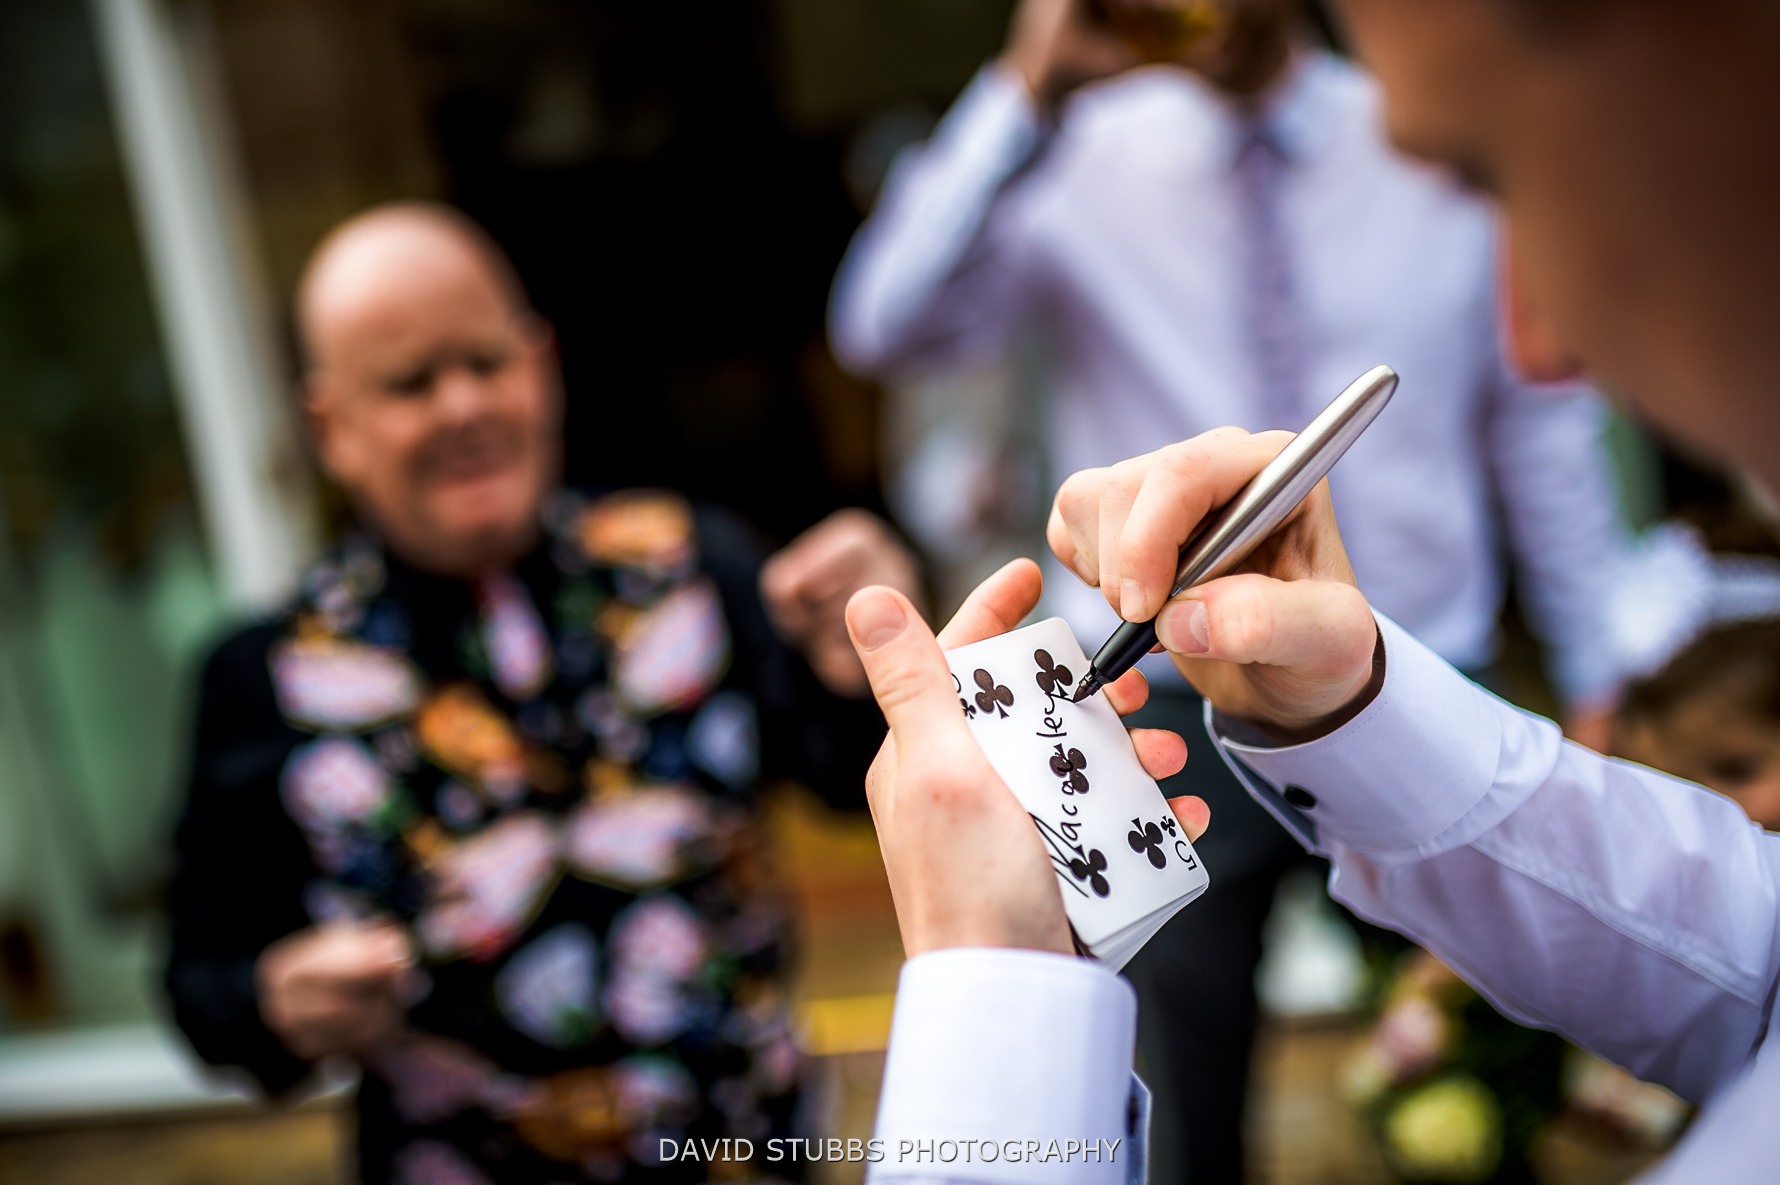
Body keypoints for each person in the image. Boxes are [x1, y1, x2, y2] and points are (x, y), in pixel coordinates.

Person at [840, 0, 1780, 1180]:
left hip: (1434, 661)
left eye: (1477, 172)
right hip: (1156, 697)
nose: (1539, 337)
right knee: (1176, 1100)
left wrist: (1592, 667)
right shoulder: (1069, 147)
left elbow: (1536, 430)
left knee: (1473, 1098)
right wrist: (1022, 92)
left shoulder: (1422, 104)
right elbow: (882, 326)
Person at [163, 202, 921, 1185]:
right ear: (332, 428)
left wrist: (876, 654)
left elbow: (848, 776)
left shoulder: (692, 564)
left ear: (541, 366)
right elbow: (202, 982)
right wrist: (273, 1000)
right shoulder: (267, 677)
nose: (462, 406)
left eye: (485, 363)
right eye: (410, 383)